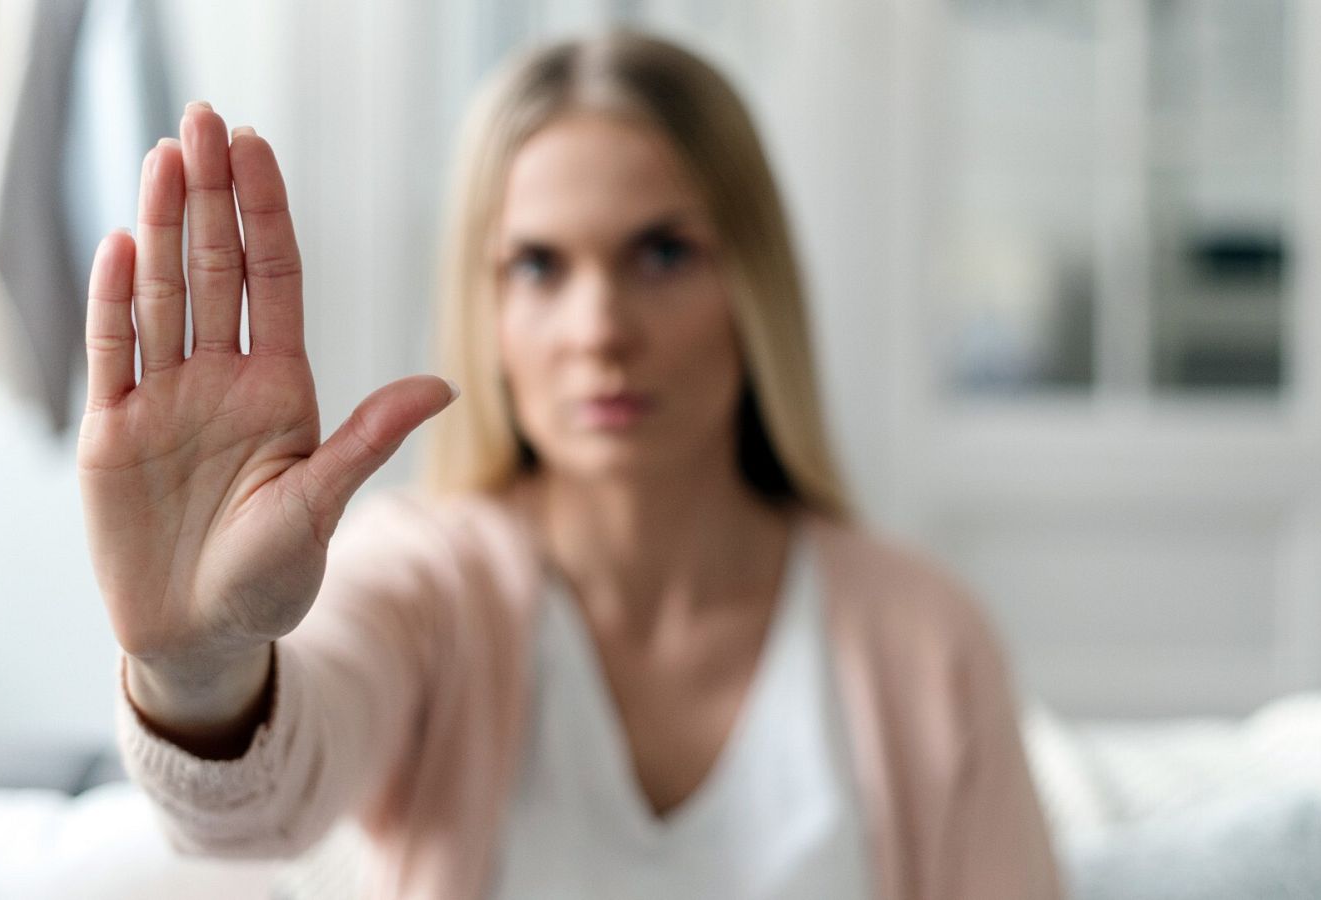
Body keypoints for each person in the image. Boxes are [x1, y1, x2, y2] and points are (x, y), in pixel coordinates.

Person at [79, 29, 1062, 900]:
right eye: (539, 266)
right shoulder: (429, 585)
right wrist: (196, 663)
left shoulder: (924, 638)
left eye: (662, 253)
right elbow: (256, 808)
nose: (601, 330)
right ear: (488, 308)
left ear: (752, 281)